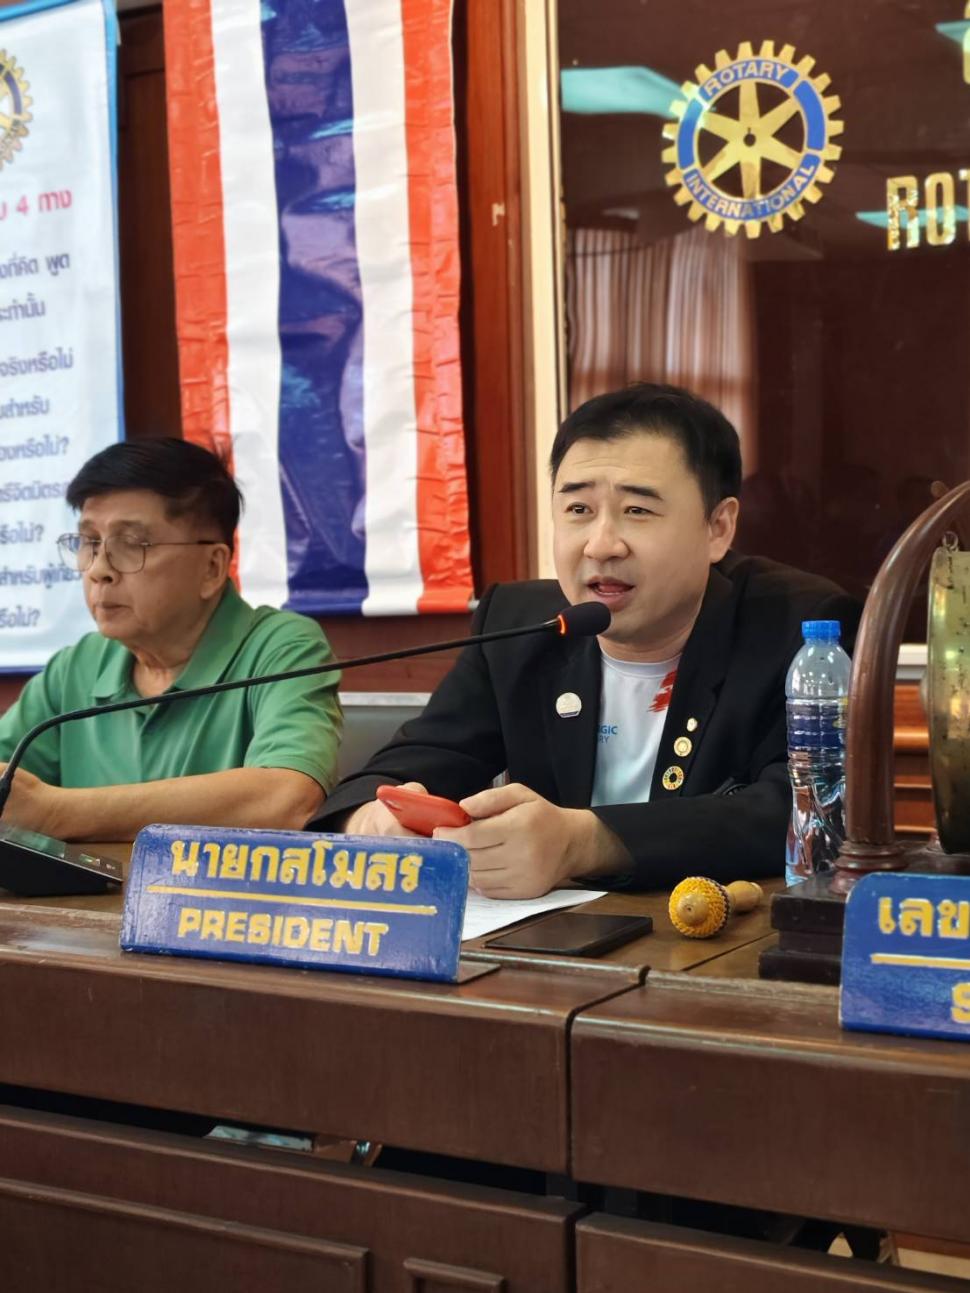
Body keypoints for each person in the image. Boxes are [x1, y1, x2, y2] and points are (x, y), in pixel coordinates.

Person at [310, 383, 860, 897]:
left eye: (637, 510)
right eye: (578, 510)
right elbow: (406, 767)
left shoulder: (799, 627)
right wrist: (372, 822)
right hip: (549, 946)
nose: (601, 545)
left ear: (718, 528)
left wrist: (584, 841)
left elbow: (806, 810)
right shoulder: (520, 625)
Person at [0, 437, 341, 840]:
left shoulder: (282, 648)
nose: (98, 570)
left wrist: (55, 812)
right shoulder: (77, 665)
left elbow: (288, 798)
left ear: (212, 568)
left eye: (131, 544)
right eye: (90, 543)